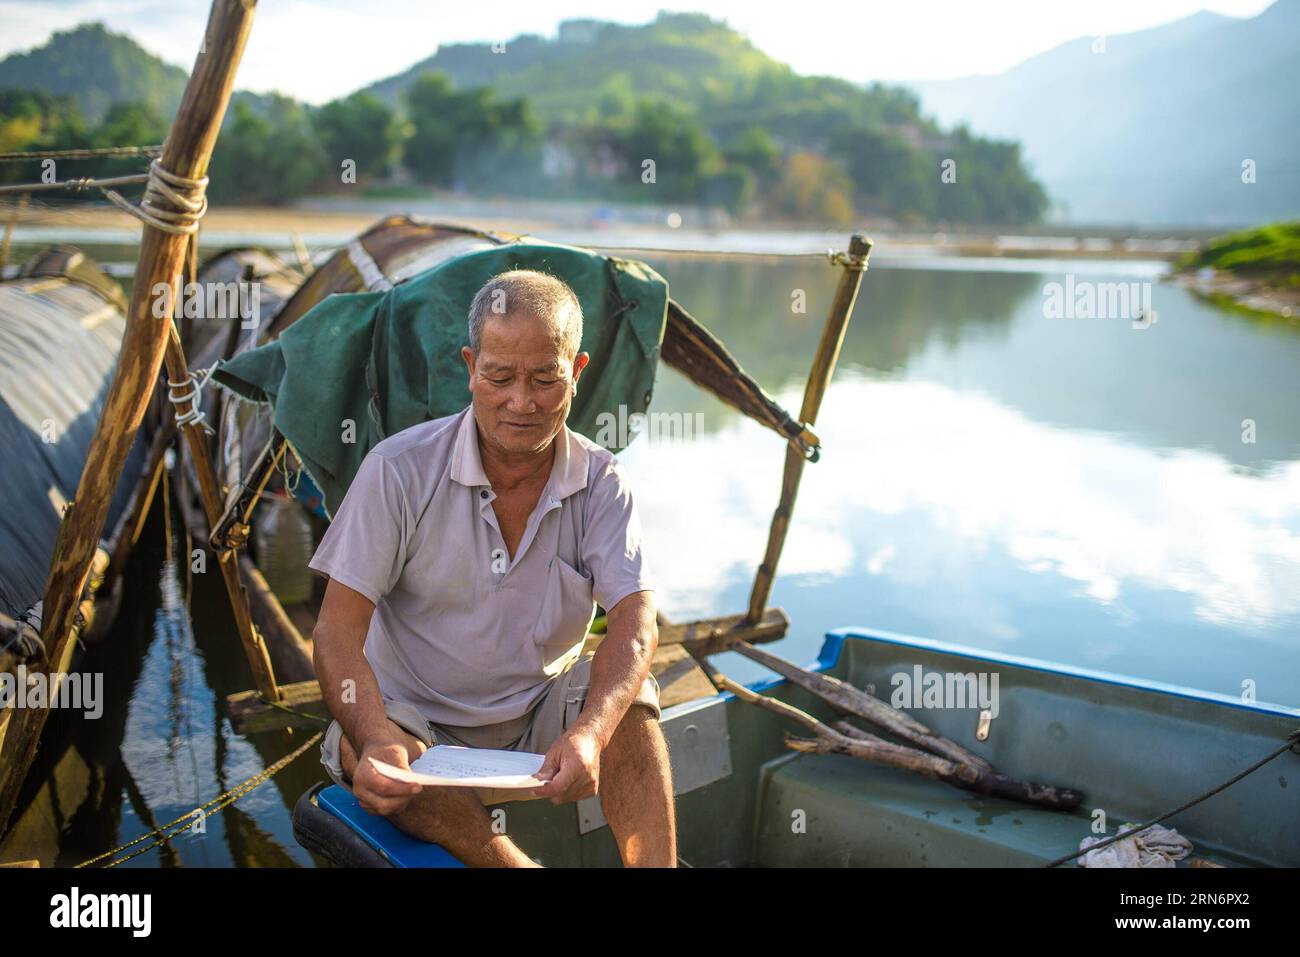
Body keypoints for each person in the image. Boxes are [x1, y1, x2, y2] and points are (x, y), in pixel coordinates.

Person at [310, 268, 675, 867]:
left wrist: (590, 732)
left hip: (540, 717)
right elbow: (336, 631)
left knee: (631, 709)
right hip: (414, 722)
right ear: (469, 366)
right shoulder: (398, 470)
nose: (521, 402)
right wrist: (374, 734)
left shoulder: (603, 482)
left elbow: (636, 626)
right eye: (499, 376)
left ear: (577, 372)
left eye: (545, 379)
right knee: (370, 755)